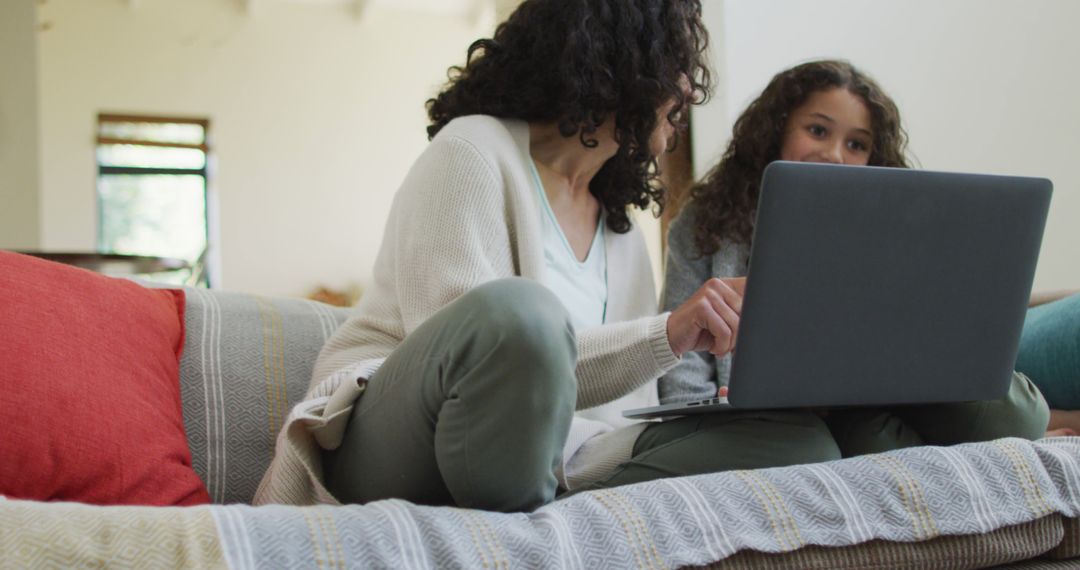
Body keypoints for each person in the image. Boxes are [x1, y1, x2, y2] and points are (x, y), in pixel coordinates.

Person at [253, 0, 781, 512]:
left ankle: (546, 511)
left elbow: (620, 413)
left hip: (551, 458)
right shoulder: (471, 152)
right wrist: (667, 333)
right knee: (524, 316)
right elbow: (488, 368)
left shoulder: (622, 235)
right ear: (623, 58)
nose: (688, 87)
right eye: (676, 60)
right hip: (397, 441)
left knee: (787, 442)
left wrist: (709, 419)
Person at [653, 59, 1050, 465]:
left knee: (1022, 414)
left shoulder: (897, 220)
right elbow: (681, 366)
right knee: (878, 448)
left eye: (857, 144)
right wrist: (707, 414)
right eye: (818, 130)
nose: (835, 155)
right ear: (775, 131)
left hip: (899, 388)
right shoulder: (704, 223)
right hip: (794, 417)